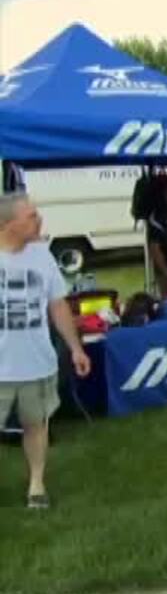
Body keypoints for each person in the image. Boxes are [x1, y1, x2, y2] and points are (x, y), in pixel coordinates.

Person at [0, 194, 91, 509]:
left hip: (36, 363)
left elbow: (57, 305)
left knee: (36, 425)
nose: (39, 221)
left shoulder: (43, 257)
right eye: (31, 217)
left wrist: (75, 348)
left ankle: (36, 485)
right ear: (8, 224)